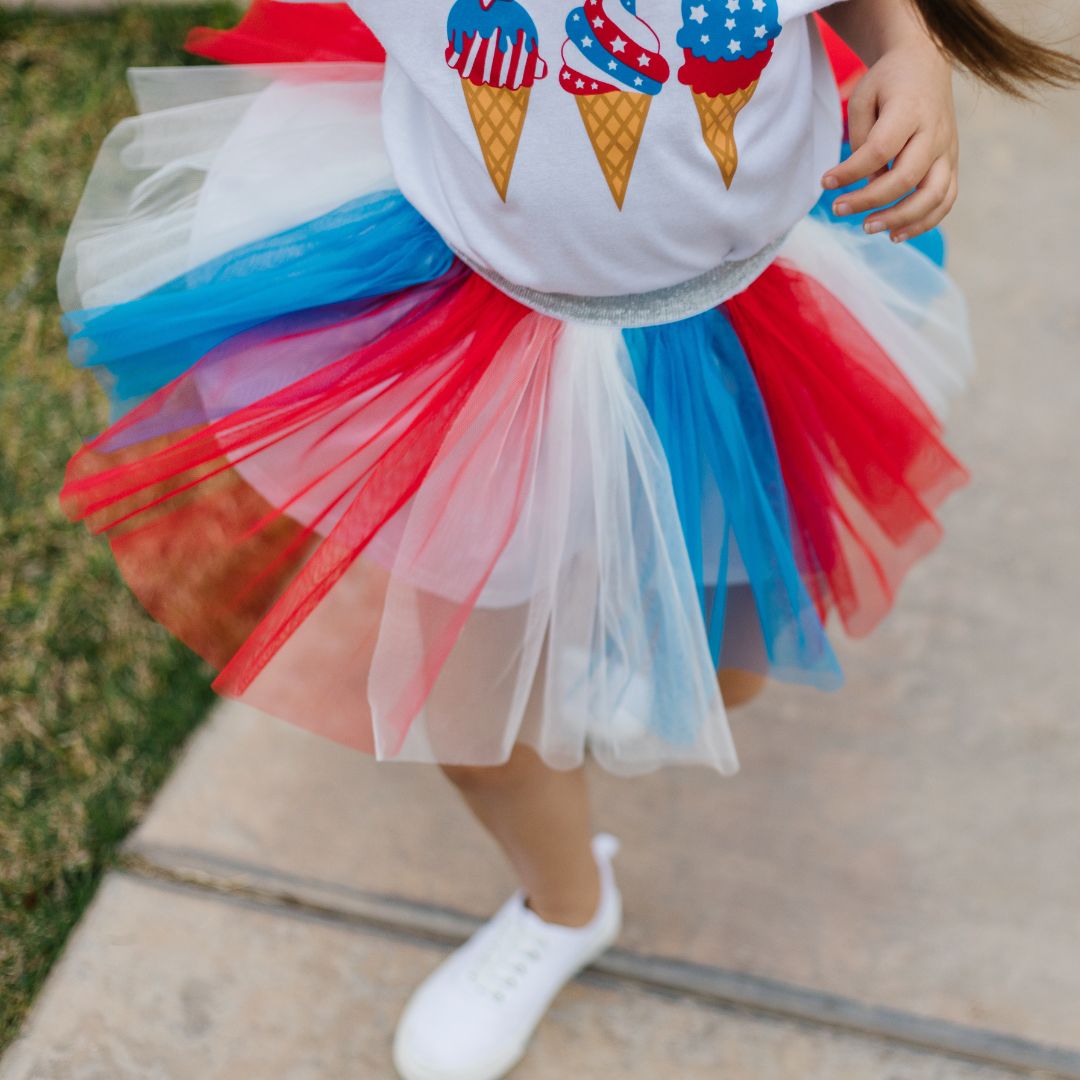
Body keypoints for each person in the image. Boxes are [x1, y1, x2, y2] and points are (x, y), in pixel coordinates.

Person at [56, 0, 1077, 1076]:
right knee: (480, 730)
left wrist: (907, 52)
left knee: (725, 670)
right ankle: (562, 904)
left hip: (739, 320)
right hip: (472, 320)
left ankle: (605, 613)